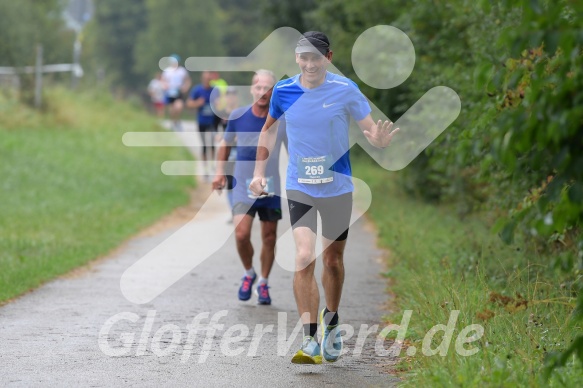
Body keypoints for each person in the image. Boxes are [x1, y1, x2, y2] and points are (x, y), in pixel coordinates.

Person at [249, 31, 399, 364]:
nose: (310, 63)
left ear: (328, 58)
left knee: (332, 260)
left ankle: (332, 321)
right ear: (297, 58)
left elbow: (369, 128)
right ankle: (310, 339)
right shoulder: (284, 91)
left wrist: (378, 140)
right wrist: (259, 172)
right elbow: (269, 129)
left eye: (316, 57)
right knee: (304, 256)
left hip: (337, 188)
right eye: (304, 57)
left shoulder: (346, 90)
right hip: (299, 185)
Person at [212, 70, 286, 305]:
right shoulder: (238, 115)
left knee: (269, 236)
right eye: (259, 87)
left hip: (270, 185)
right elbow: (225, 144)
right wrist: (219, 173)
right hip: (242, 186)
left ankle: (263, 282)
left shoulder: (281, 120)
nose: (263, 92)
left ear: (274, 92)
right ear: (252, 90)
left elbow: (294, 151)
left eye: (268, 88)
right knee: (242, 234)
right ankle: (249, 273)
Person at [187, 71, 220, 176]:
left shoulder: (215, 90)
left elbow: (220, 105)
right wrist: (197, 103)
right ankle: (205, 168)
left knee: (212, 144)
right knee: (204, 145)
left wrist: (217, 104)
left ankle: (212, 165)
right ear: (202, 79)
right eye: (205, 78)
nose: (207, 80)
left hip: (212, 121)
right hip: (201, 121)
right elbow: (189, 103)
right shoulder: (197, 90)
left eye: (209, 78)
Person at [161, 54, 191, 131]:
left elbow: (187, 80)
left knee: (179, 107)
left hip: (178, 92)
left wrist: (185, 87)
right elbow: (162, 80)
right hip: (170, 92)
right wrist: (164, 86)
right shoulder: (167, 71)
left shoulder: (182, 71)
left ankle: (177, 121)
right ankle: (173, 122)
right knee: (172, 109)